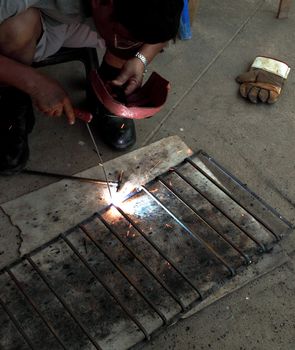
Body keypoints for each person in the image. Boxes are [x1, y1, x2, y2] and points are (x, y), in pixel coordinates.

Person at [0, 0, 184, 175]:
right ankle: (12, 98)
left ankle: (110, 88)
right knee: (14, 29)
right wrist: (33, 83)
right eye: (127, 41)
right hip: (37, 23)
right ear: (101, 2)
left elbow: (164, 23)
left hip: (91, 21)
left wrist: (140, 59)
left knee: (139, 30)